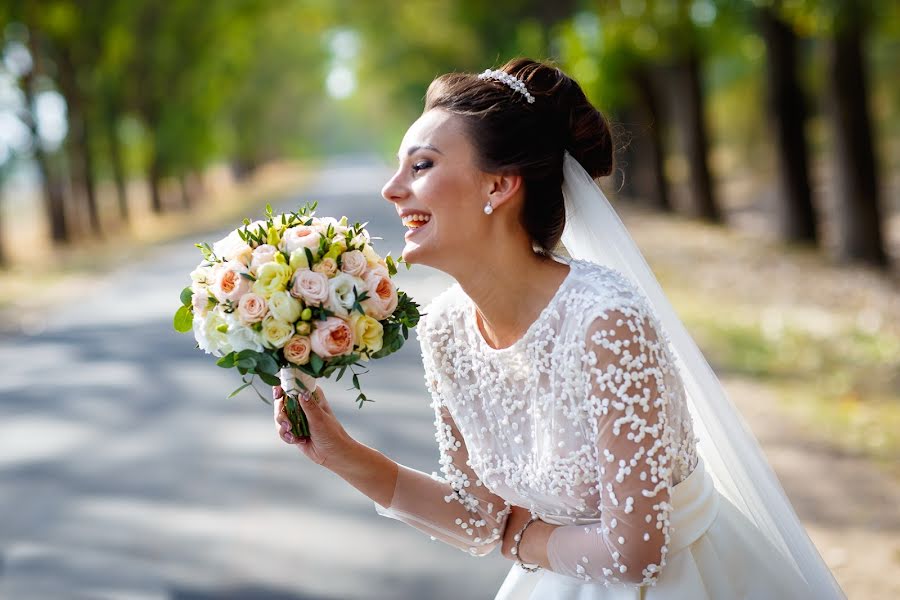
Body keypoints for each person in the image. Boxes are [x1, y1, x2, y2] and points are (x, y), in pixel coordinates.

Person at [273, 58, 845, 599]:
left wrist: (519, 537)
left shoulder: (605, 322)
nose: (391, 189)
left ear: (498, 187)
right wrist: (340, 453)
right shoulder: (445, 327)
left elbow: (636, 551)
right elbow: (478, 515)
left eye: (420, 165)